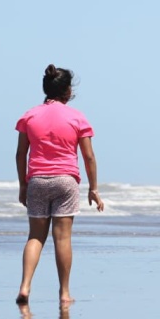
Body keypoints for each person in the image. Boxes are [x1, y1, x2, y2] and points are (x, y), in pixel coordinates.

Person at [14, 65, 104, 305]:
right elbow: (89, 157)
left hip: (37, 180)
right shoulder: (76, 117)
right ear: (67, 91)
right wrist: (93, 188)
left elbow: (20, 153)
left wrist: (23, 184)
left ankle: (25, 286)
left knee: (35, 237)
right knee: (62, 239)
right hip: (65, 180)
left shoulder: (29, 116)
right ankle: (64, 293)